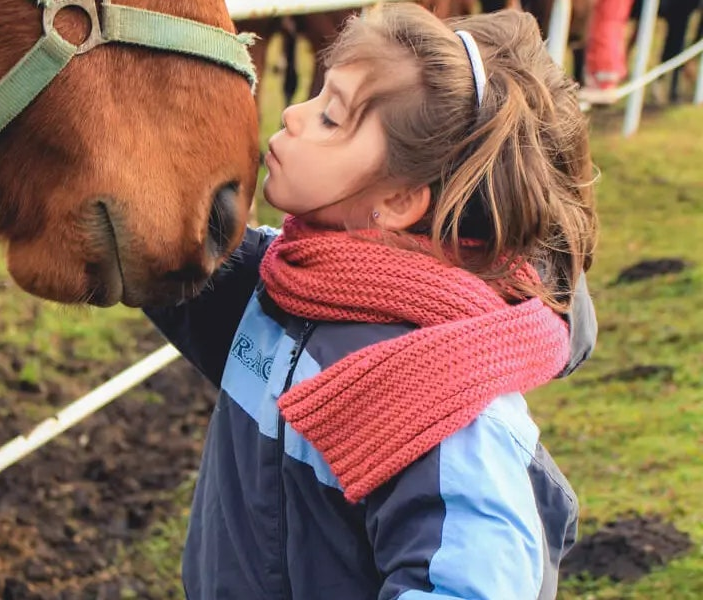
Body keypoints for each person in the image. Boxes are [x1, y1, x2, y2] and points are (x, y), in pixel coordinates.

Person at [145, 4, 599, 599]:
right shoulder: (282, 286)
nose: (292, 114)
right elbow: (156, 246)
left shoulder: (445, 400)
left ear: (401, 200)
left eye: (331, 117)